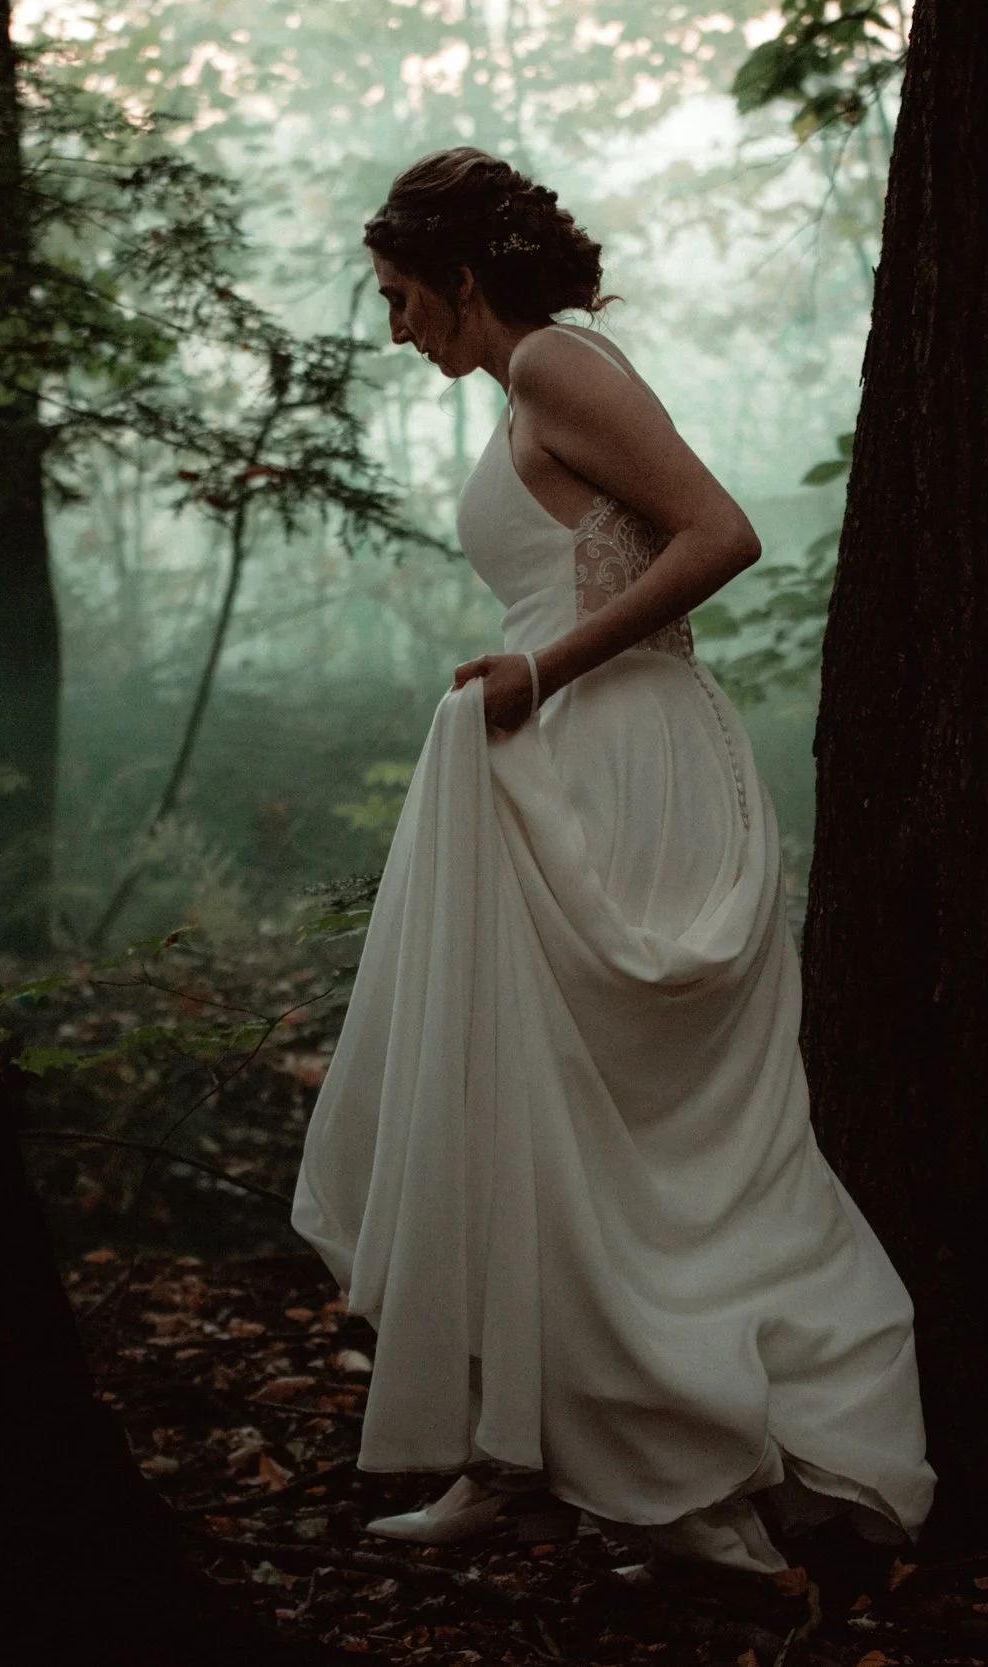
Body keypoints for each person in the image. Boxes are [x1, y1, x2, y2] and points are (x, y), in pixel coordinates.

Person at [289, 147, 931, 1575]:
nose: (396, 325)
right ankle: (519, 1454)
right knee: (532, 1121)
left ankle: (686, 1463)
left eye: (402, 295)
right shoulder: (529, 389)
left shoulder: (560, 367)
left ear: (464, 279)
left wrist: (540, 668)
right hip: (565, 753)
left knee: (639, 1148)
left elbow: (723, 534)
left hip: (626, 760)